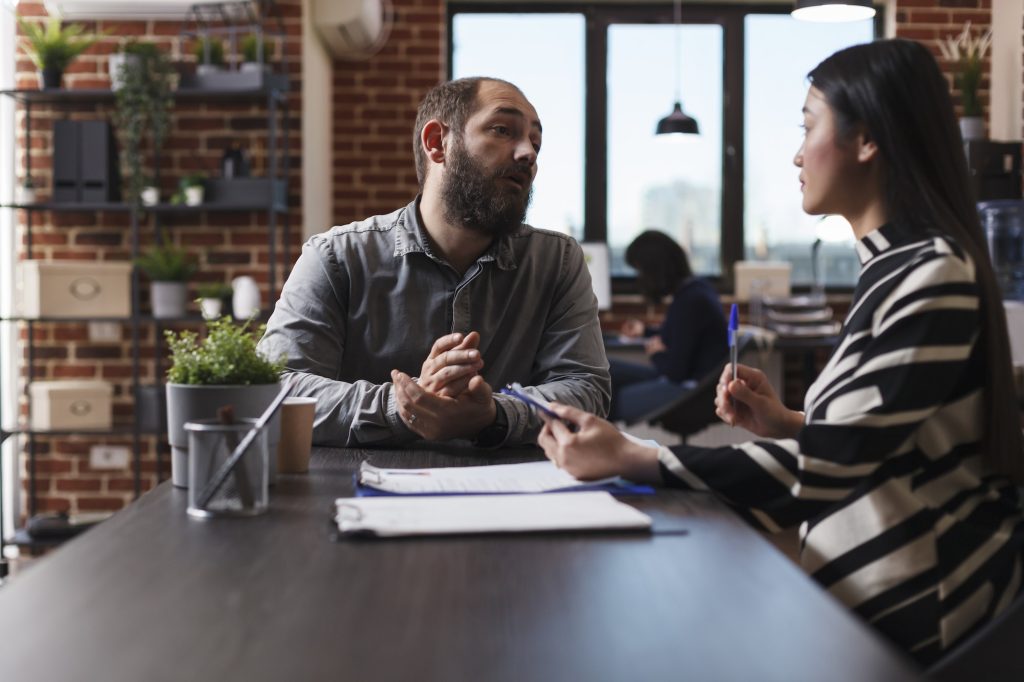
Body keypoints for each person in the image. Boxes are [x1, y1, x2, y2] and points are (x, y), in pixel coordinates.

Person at [538, 39, 1024, 664]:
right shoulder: (895, 269)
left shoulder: (931, 274)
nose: (797, 154)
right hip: (864, 600)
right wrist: (788, 423)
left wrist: (634, 456)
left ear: (867, 139)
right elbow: (888, 440)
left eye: (808, 126)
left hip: (925, 609)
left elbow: (831, 469)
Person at [259, 77, 610, 447]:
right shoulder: (336, 257)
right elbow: (275, 386)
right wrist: (404, 405)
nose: (528, 153)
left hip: (510, 495)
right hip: (359, 490)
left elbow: (587, 389)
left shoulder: (557, 261)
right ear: (437, 143)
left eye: (535, 142)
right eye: (503, 130)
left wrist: (495, 415)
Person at [609, 230, 727, 421]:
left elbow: (674, 371)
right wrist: (645, 331)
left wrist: (656, 354)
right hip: (685, 380)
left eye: (640, 271)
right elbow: (683, 333)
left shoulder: (690, 301)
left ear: (654, 270)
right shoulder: (696, 289)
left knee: (604, 400)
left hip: (691, 390)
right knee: (606, 369)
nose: (639, 279)